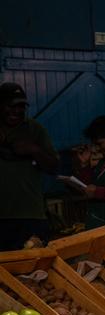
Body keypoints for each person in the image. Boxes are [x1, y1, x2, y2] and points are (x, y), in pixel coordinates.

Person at [0, 83, 58, 250]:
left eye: (21, 106)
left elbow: (53, 166)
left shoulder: (34, 129)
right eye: (11, 106)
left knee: (33, 267)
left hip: (29, 214)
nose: (17, 111)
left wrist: (34, 150)